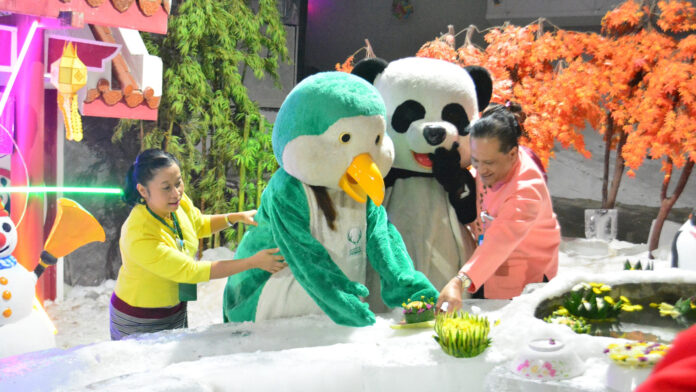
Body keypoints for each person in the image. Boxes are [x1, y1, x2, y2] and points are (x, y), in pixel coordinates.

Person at [110, 149, 286, 340]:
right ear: (143, 190)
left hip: (174, 308)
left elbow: (197, 224)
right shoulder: (139, 234)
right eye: (166, 187)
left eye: (178, 183)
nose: (176, 193)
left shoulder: (176, 203)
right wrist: (253, 262)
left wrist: (234, 217)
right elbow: (191, 271)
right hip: (139, 318)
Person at [436, 103, 560, 311]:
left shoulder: (526, 190)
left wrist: (459, 282)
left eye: (489, 163)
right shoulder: (490, 164)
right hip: (485, 271)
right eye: (477, 161)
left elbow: (500, 242)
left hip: (525, 281)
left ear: (512, 154)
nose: (481, 170)